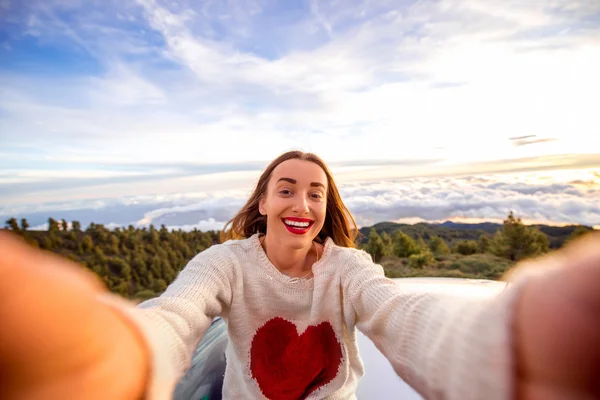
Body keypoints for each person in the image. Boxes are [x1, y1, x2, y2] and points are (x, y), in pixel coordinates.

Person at [0, 150, 599, 400]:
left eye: (316, 193)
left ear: (327, 207)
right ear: (262, 202)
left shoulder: (348, 269)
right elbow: (178, 317)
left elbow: (398, 313)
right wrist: (117, 358)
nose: (302, 204)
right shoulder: (224, 263)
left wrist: (504, 348)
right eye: (285, 189)